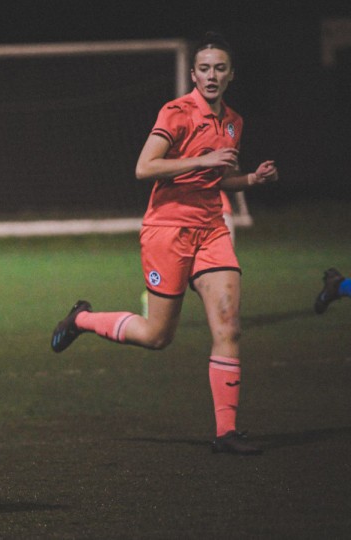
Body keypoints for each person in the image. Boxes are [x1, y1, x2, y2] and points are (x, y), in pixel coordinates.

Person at [50, 32, 278, 455]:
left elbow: (217, 179)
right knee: (157, 336)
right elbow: (144, 167)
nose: (212, 75)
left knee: (229, 325)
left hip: (211, 229)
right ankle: (82, 320)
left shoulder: (233, 122)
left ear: (231, 75)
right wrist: (202, 159)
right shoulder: (176, 113)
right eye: (205, 68)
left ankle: (226, 433)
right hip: (167, 231)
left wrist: (250, 180)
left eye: (220, 68)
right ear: (193, 74)